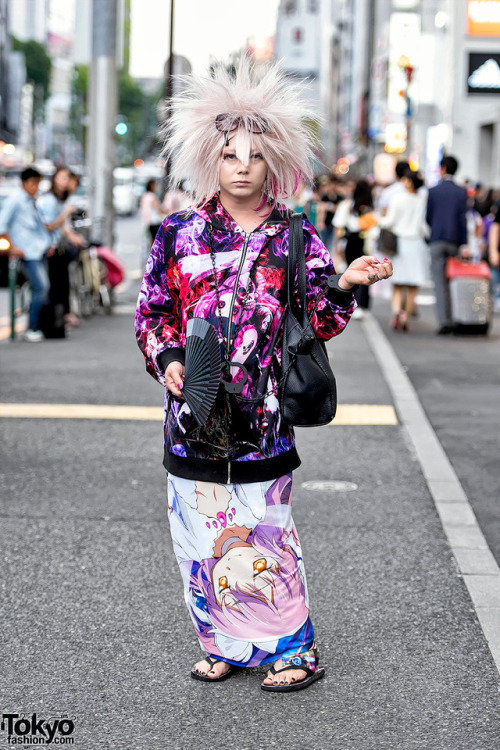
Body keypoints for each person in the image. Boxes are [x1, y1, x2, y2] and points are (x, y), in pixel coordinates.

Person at [135, 59, 392, 693]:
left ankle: (289, 649)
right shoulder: (177, 234)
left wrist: (345, 283)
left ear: (272, 159)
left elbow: (319, 322)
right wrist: (168, 362)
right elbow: (153, 312)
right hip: (193, 417)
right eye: (229, 155)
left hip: (267, 420)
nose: (242, 165)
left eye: (254, 154)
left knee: (268, 532)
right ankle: (223, 643)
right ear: (209, 161)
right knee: (199, 536)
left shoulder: (296, 237)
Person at [0, 166, 52, 342]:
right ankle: (32, 327)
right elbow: (2, 225)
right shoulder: (15, 200)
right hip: (27, 253)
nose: (35, 187)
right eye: (32, 183)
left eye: (37, 183)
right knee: (41, 287)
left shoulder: (32, 200)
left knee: (41, 288)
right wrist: (13, 248)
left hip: (38, 250)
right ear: (23, 183)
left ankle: (37, 325)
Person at [425, 155, 468, 335]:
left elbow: (428, 217)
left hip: (437, 240)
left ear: (442, 168)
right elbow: (462, 220)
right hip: (455, 241)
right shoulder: (462, 192)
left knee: (439, 282)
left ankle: (445, 322)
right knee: (454, 280)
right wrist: (464, 243)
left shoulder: (433, 191)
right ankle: (458, 318)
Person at [380, 171, 428, 331]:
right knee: (413, 284)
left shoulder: (398, 199)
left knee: (398, 283)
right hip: (416, 244)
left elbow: (389, 221)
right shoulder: (421, 201)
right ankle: (405, 316)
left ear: (409, 182)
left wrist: (377, 220)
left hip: (399, 244)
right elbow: (424, 227)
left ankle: (396, 313)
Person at [37, 166, 83, 329]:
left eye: (67, 179)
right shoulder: (49, 200)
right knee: (54, 286)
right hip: (51, 249)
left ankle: (62, 316)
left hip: (58, 247)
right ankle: (53, 320)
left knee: (61, 283)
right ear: (55, 179)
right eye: (62, 178)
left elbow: (61, 227)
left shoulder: (60, 199)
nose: (65, 182)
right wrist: (65, 213)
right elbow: (50, 226)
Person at [333, 179, 379, 318]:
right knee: (366, 270)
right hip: (366, 243)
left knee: (351, 270)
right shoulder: (371, 208)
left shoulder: (347, 205)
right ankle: (362, 303)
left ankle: (351, 303)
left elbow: (338, 226)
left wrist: (337, 247)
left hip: (350, 242)